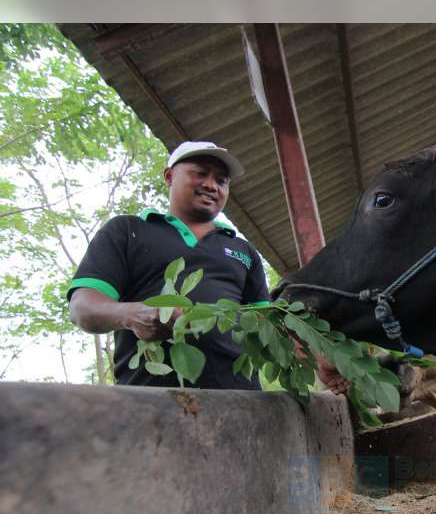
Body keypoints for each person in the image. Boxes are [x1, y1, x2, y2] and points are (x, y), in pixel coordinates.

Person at [69, 140, 345, 391]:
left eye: (222, 180)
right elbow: (83, 308)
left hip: (241, 403)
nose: (212, 185)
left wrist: (316, 357)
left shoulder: (243, 251)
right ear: (169, 176)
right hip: (150, 403)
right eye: (200, 173)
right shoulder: (128, 231)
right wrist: (132, 314)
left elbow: (267, 329)